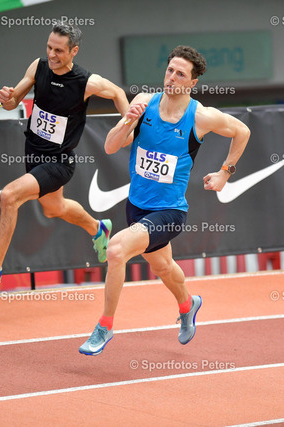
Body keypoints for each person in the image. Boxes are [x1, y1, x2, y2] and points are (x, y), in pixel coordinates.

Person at [79, 45, 250, 355]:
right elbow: (110, 147)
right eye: (170, 70)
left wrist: (225, 173)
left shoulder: (201, 117)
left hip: (169, 212)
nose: (172, 77)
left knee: (116, 250)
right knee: (164, 268)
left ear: (193, 82)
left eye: (180, 74)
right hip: (136, 207)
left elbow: (242, 131)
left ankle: (105, 326)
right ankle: (188, 304)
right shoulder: (144, 103)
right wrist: (127, 120)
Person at [0, 24, 129, 295]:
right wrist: (6, 99)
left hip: (59, 162)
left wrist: (129, 124)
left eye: (59, 51)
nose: (52, 55)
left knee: (9, 196)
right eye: (49, 47)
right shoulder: (38, 67)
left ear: (74, 51)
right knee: (55, 208)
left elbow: (118, 93)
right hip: (33, 153)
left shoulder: (86, 82)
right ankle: (98, 228)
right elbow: (13, 101)